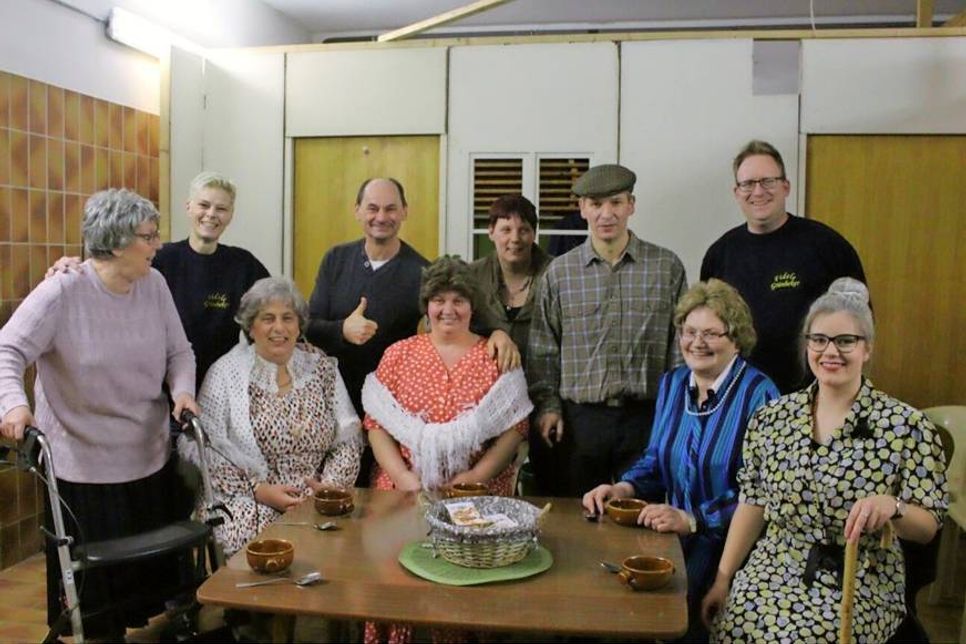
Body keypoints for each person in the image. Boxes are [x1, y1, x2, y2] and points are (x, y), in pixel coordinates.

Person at [701, 278, 948, 643]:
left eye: (846, 341)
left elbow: (928, 526)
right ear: (807, 346)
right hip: (776, 567)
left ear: (867, 349)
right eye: (819, 340)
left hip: (859, 577)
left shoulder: (905, 426)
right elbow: (752, 503)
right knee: (734, 629)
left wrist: (892, 506)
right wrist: (723, 579)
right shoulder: (772, 418)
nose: (830, 351)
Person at [0, 189, 199, 640]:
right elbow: (7, 349)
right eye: (148, 237)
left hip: (146, 454)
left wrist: (182, 392)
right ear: (115, 242)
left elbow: (179, 352)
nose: (157, 245)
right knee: (99, 603)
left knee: (147, 581)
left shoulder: (154, 285)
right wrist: (14, 403)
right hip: (82, 465)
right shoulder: (62, 292)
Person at [583, 279, 778, 642]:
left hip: (730, 546)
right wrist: (622, 486)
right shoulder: (673, 383)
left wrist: (692, 519)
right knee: (602, 594)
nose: (697, 343)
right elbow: (656, 459)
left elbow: (766, 494)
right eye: (689, 331)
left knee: (678, 619)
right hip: (669, 538)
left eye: (711, 333)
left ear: (736, 340)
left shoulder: (760, 393)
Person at [361, 256, 531, 644]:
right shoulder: (399, 353)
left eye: (459, 300)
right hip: (401, 488)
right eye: (439, 299)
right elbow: (376, 426)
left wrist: (472, 478)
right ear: (427, 305)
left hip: (477, 491)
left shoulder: (496, 356)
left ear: (473, 305)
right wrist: (405, 479)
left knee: (463, 587)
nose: (448, 309)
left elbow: (514, 430)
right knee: (394, 575)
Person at [306, 177, 519, 485]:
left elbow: (468, 315)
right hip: (335, 398)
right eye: (373, 208)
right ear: (357, 211)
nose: (382, 217)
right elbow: (309, 327)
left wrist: (500, 333)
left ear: (404, 212)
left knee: (376, 486)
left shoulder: (420, 271)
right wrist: (343, 329)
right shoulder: (335, 260)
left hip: (391, 406)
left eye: (391, 208)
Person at [528, 163, 687, 496]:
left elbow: (680, 349)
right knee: (577, 520)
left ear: (631, 205)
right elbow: (544, 350)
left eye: (615, 202)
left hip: (648, 418)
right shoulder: (560, 274)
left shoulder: (666, 267)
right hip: (580, 423)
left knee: (644, 517)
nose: (606, 213)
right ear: (582, 208)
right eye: (596, 204)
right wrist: (549, 408)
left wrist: (674, 415)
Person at [179, 277, 362, 556]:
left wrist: (328, 491)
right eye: (268, 318)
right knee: (265, 543)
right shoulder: (225, 373)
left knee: (345, 541)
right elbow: (204, 448)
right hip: (244, 496)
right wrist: (258, 489)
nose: (279, 328)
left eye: (288, 318)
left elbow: (348, 439)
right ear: (251, 327)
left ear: (299, 325)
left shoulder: (322, 367)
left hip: (315, 497)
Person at [47, 171, 269, 391]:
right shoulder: (157, 259)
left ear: (231, 214)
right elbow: (108, 273)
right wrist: (72, 270)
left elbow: (274, 308)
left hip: (220, 387)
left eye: (221, 208)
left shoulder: (244, 265)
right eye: (204, 205)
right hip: (155, 388)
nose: (211, 214)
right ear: (189, 207)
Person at [700, 140, 866, 394]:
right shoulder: (720, 254)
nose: (758, 192)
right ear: (736, 192)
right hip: (740, 397)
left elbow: (860, 324)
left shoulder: (827, 246)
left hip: (814, 396)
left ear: (786, 187)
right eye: (748, 184)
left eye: (768, 181)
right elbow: (708, 330)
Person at [468, 194, 552, 367]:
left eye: (524, 230)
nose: (515, 238)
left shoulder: (555, 273)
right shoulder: (471, 276)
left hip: (545, 384)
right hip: (486, 382)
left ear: (534, 234)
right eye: (506, 230)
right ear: (491, 232)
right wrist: (493, 334)